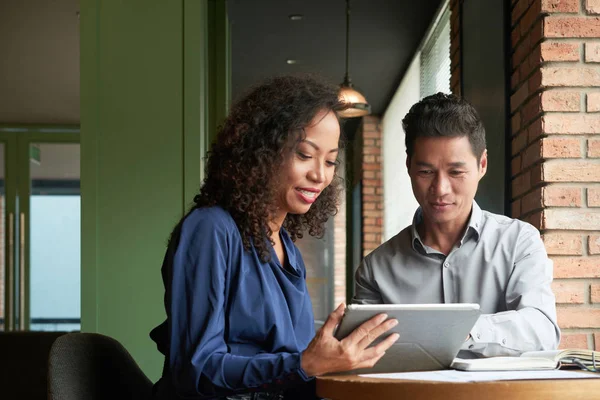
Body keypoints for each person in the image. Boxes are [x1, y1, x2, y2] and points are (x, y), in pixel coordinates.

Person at [150, 74, 400, 400]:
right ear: (262, 150)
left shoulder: (286, 250)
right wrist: (306, 364)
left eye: (329, 161)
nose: (319, 175)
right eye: (304, 154)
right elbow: (197, 369)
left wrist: (345, 362)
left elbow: (295, 370)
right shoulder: (210, 229)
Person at [353, 92, 560, 358]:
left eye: (456, 172)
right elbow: (362, 357)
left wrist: (462, 330)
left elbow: (542, 331)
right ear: (408, 167)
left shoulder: (519, 242)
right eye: (426, 172)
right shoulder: (376, 269)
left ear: (482, 164)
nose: (440, 189)